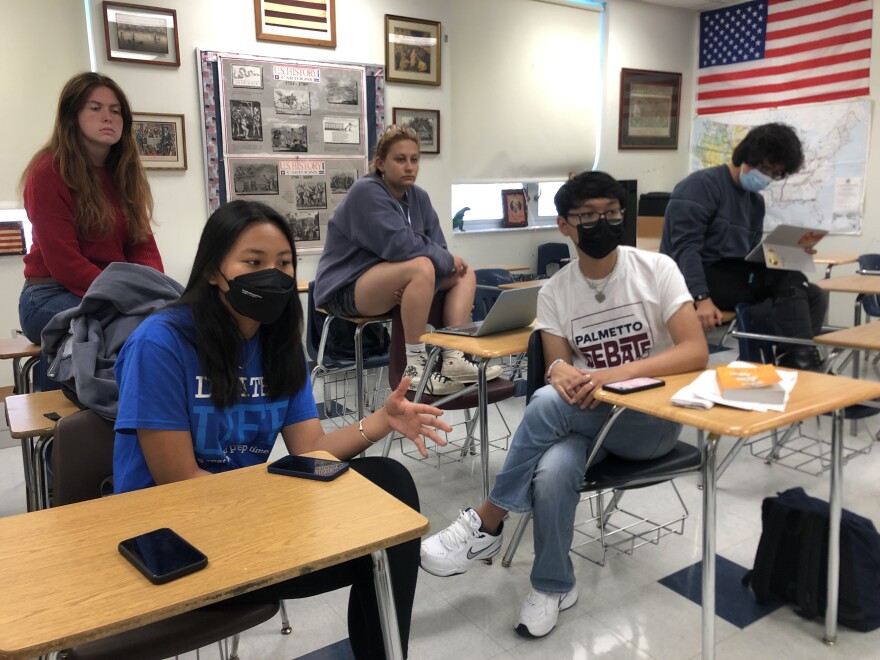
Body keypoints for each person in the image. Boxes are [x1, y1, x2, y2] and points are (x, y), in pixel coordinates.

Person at [113, 200, 451, 660]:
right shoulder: (160, 343)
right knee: (372, 544)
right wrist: (276, 516)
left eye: (284, 264)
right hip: (177, 538)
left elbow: (310, 449)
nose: (272, 275)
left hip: (248, 523)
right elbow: (180, 483)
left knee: (390, 488)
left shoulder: (278, 343)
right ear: (214, 271)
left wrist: (382, 421)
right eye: (253, 263)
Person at [419, 171, 708, 639]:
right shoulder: (556, 291)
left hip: (650, 421)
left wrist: (606, 376)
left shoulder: (657, 270)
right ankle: (554, 586)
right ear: (564, 225)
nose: (603, 223)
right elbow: (557, 366)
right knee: (552, 470)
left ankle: (487, 521)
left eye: (612, 214)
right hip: (587, 420)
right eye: (588, 216)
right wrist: (564, 372)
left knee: (547, 405)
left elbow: (695, 350)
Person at [314, 125, 501, 396]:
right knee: (422, 267)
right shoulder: (365, 191)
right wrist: (423, 273)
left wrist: (423, 279)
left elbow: (439, 250)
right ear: (380, 163)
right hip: (343, 288)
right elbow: (399, 246)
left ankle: (453, 358)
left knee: (464, 273)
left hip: (386, 283)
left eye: (414, 159)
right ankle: (415, 367)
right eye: (400, 159)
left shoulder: (419, 197)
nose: (409, 166)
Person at [18, 72, 163, 390]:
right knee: (101, 332)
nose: (108, 117)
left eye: (115, 110)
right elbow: (65, 264)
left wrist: (152, 292)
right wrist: (124, 298)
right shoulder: (48, 170)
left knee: (168, 324)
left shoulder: (123, 171)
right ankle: (66, 430)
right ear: (72, 116)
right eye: (95, 108)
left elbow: (143, 246)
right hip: (51, 293)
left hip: (109, 293)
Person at [660, 122, 828, 370]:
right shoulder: (701, 186)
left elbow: (748, 258)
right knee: (790, 280)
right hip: (691, 277)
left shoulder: (755, 203)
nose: (768, 177)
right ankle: (802, 364)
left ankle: (793, 360)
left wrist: (788, 254)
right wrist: (701, 298)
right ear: (747, 156)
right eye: (766, 168)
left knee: (814, 295)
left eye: (775, 174)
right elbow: (686, 249)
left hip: (729, 277)